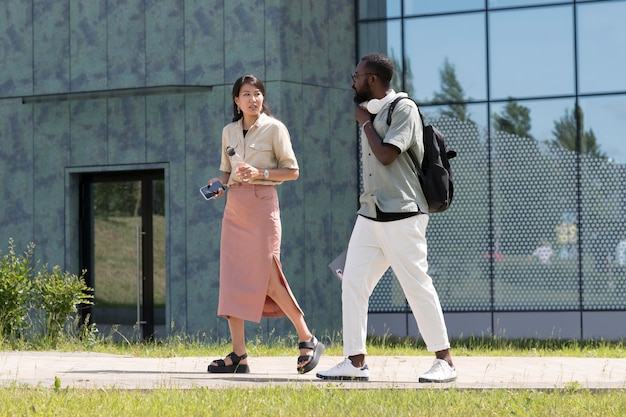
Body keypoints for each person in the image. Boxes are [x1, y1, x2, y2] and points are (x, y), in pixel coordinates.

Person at [316, 54, 456, 383]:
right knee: (352, 282)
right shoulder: (374, 111)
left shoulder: (402, 108)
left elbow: (387, 154)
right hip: (371, 214)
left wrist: (364, 122)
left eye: (357, 75)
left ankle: (445, 361)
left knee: (416, 286)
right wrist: (366, 119)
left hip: (403, 213)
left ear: (373, 80)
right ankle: (354, 361)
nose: (353, 81)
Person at [206, 74, 323, 374]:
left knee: (270, 279)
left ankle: (307, 338)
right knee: (232, 278)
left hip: (262, 206)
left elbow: (292, 171)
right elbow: (225, 171)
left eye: (257, 93)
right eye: (246, 94)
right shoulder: (228, 132)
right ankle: (238, 356)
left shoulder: (275, 128)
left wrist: (259, 173)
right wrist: (218, 184)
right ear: (236, 100)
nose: (253, 99)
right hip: (234, 209)